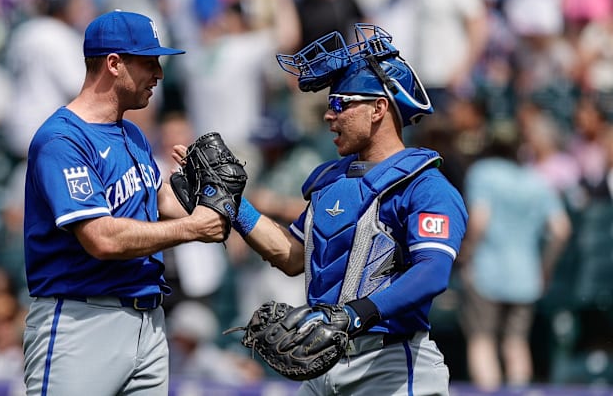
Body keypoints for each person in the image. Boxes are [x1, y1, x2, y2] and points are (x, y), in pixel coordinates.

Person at [177, 24, 468, 395]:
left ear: (379, 108)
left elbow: (433, 273)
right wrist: (233, 206)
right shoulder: (332, 180)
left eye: (340, 103)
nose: (330, 116)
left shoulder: (425, 186)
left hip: (391, 365)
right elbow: (292, 255)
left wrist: (353, 314)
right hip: (322, 364)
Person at [22, 10, 228, 395]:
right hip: (82, 321)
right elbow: (102, 238)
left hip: (148, 320)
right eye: (149, 61)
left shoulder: (131, 133)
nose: (159, 74)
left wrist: (213, 197)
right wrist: (193, 228)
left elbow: (161, 200)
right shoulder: (61, 140)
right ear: (114, 63)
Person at [460, 126, 572, 391]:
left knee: (482, 339)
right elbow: (561, 229)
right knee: (516, 342)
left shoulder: (482, 173)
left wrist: (467, 255)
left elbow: (479, 220)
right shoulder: (537, 179)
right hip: (526, 275)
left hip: (486, 271)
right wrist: (545, 267)